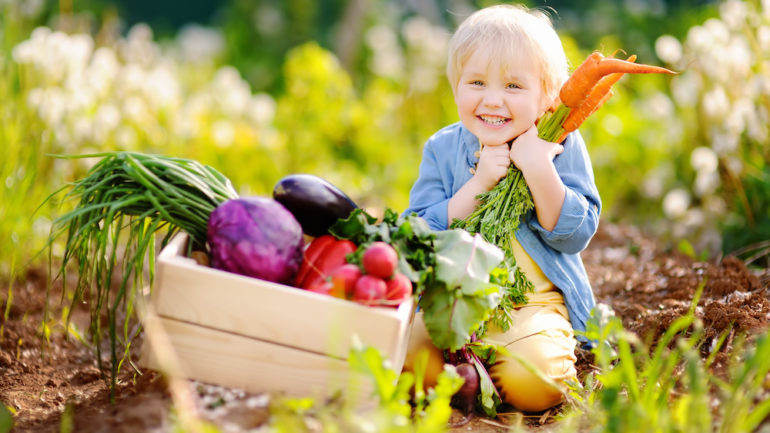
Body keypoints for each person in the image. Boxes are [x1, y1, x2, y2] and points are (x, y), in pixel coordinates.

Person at [402, 4, 601, 413]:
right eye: (476, 82)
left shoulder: (559, 144)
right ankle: (470, 373)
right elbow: (416, 234)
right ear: (456, 86)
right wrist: (478, 185)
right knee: (404, 361)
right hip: (452, 301)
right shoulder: (442, 148)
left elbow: (575, 233)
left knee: (538, 383)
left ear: (547, 96)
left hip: (529, 305)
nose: (492, 101)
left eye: (513, 86)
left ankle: (492, 372)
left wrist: (538, 167)